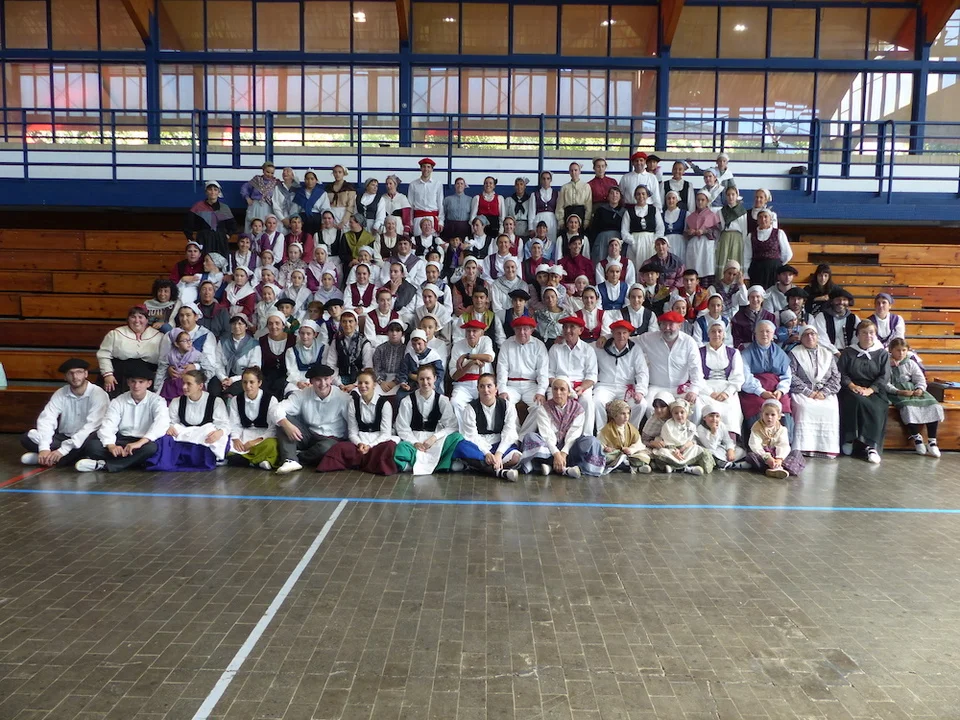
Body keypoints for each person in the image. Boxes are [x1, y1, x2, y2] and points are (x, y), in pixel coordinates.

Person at [74, 359, 168, 473]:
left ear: (149, 383)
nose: (136, 386)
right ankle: (130, 462)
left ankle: (104, 465)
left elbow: (160, 424)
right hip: (121, 439)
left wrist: (139, 443)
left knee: (151, 448)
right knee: (92, 446)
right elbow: (108, 425)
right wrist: (111, 446)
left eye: (141, 382)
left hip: (143, 441)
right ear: (128, 382)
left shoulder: (157, 401)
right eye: (133, 381)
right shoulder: (118, 401)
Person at [20, 358, 110, 468]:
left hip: (86, 438)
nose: (75, 377)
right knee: (27, 437)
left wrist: (62, 451)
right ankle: (51, 457)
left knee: (93, 448)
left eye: (79, 372)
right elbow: (47, 419)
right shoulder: (61, 393)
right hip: (63, 438)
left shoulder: (98, 394)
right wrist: (44, 448)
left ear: (86, 374)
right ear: (65, 377)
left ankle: (48, 459)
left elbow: (90, 427)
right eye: (70, 373)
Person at [317, 369, 399, 475]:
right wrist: (360, 444)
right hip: (360, 442)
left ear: (374, 385)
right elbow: (352, 432)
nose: (362, 386)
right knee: (338, 448)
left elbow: (385, 434)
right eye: (360, 383)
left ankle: (360, 462)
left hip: (378, 443)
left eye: (366, 383)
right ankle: (369, 462)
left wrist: (370, 446)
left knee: (389, 447)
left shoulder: (384, 404)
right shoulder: (353, 403)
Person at [518, 376, 604, 477]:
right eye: (555, 389)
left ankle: (553, 466)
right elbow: (546, 434)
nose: (558, 393)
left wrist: (563, 453)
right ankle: (564, 468)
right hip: (550, 449)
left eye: (562, 389)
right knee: (530, 437)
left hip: (570, 449)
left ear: (569, 392)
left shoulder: (578, 410)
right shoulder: (544, 409)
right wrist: (556, 454)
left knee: (592, 441)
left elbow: (574, 434)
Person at [272, 364, 349, 474]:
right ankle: (290, 460)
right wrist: (286, 424)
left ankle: (297, 457)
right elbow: (276, 408)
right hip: (308, 435)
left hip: (331, 439)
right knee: (282, 419)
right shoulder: (303, 394)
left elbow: (352, 422)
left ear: (331, 379)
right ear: (311, 381)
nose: (323, 384)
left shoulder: (343, 398)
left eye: (326, 379)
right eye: (318, 380)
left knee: (325, 448)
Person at [150, 370, 230, 469]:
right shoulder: (177, 401)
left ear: (200, 386)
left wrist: (219, 433)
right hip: (184, 432)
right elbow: (170, 421)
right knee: (165, 436)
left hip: (204, 433)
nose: (184, 387)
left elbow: (224, 424)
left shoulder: (216, 401)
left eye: (189, 384)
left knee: (213, 432)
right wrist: (169, 426)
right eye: (183, 383)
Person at [394, 364, 463, 475]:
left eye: (428, 378)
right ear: (417, 380)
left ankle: (411, 465)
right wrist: (415, 443)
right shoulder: (407, 401)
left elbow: (452, 426)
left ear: (435, 378)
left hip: (436, 441)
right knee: (401, 448)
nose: (425, 382)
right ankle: (444, 464)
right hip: (414, 440)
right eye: (422, 379)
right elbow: (402, 427)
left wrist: (434, 437)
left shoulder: (443, 401)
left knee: (457, 438)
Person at [837, 320, 890, 464]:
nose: (868, 336)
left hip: (875, 390)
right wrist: (852, 386)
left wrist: (871, 390)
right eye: (864, 333)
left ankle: (872, 446)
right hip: (851, 388)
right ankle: (849, 439)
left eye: (871, 332)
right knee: (854, 401)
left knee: (877, 408)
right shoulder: (848, 352)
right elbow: (841, 373)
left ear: (876, 334)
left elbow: (884, 376)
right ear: (858, 335)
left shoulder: (882, 354)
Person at [454, 373, 522, 481]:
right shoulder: (470, 408)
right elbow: (471, 435)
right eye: (482, 386)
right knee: (461, 447)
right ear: (478, 389)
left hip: (499, 441)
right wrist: (487, 453)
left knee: (515, 458)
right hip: (479, 444)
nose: (486, 390)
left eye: (489, 386)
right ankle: (500, 472)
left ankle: (478, 467)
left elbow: (509, 432)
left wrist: (499, 453)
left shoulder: (507, 406)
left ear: (496, 388)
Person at [639, 311, 705, 418]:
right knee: (650, 407)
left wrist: (694, 390)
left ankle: (690, 430)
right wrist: (609, 337)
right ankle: (654, 430)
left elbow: (696, 369)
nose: (667, 328)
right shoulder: (649, 339)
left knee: (695, 406)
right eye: (664, 324)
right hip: (657, 387)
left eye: (671, 324)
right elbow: (626, 339)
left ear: (680, 325)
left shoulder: (689, 342)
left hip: (681, 388)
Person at [789, 325, 841, 458]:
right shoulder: (795, 353)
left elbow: (836, 376)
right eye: (806, 334)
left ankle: (826, 448)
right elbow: (791, 375)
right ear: (801, 338)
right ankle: (804, 447)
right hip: (803, 391)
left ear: (817, 337)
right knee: (804, 407)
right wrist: (808, 392)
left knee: (831, 408)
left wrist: (825, 392)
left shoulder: (827, 354)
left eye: (813, 334)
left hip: (824, 392)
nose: (810, 337)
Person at [887, 338, 943, 457]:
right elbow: (885, 382)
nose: (901, 353)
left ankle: (932, 441)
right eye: (898, 350)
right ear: (891, 350)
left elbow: (920, 378)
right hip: (897, 391)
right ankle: (917, 437)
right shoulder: (886, 364)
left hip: (913, 390)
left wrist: (920, 388)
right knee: (908, 408)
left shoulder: (911, 363)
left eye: (904, 350)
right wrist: (898, 391)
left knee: (934, 406)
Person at [739, 320, 794, 439]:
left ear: (773, 334)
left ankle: (784, 440)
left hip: (776, 388)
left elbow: (787, 375)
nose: (764, 334)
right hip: (755, 390)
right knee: (757, 404)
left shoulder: (780, 353)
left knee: (784, 402)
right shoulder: (746, 353)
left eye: (768, 331)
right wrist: (761, 392)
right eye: (761, 331)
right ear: (755, 334)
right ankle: (758, 440)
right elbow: (745, 376)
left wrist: (780, 391)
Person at [593, 319, 649, 430]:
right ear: (612, 333)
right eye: (618, 333)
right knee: (596, 401)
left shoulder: (635, 350)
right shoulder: (601, 347)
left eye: (624, 333)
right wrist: (561, 339)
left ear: (629, 334)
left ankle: (630, 433)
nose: (621, 336)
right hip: (605, 386)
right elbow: (583, 346)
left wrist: (640, 391)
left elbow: (642, 372)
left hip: (626, 387)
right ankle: (602, 433)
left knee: (641, 404)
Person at [97, 305, 164, 397]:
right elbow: (103, 355)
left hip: (146, 379)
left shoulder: (159, 336)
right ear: (128, 319)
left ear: (146, 320)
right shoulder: (115, 334)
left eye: (140, 317)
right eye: (133, 317)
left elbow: (164, 360)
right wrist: (108, 374)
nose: (137, 321)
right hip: (119, 378)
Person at [548, 316, 598, 434]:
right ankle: (554, 437)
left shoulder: (588, 350)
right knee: (551, 401)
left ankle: (586, 437)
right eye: (565, 327)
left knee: (587, 402)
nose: (568, 330)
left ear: (580, 330)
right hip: (559, 385)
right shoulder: (555, 348)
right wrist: (561, 387)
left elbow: (592, 375)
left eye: (572, 327)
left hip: (580, 386)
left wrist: (582, 387)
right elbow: (549, 373)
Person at [226, 367, 281, 470]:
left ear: (259, 383)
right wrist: (236, 439)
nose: (248, 386)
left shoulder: (271, 400)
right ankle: (259, 461)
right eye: (245, 382)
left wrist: (255, 442)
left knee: (272, 445)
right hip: (244, 435)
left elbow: (273, 428)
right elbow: (234, 424)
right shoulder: (236, 400)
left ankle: (245, 460)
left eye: (252, 382)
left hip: (263, 437)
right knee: (226, 444)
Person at [698, 320, 745, 436]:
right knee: (703, 409)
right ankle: (705, 440)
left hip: (727, 388)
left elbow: (738, 377)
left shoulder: (734, 353)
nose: (716, 334)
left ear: (724, 334)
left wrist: (726, 393)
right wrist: (710, 393)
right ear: (708, 334)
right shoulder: (699, 352)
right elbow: (696, 376)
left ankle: (730, 441)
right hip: (705, 389)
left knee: (731, 412)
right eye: (713, 331)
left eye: (720, 331)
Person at [650, 398, 713, 475]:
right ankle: (687, 468)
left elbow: (692, 441)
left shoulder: (691, 426)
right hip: (671, 450)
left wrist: (683, 448)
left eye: (682, 412)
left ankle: (674, 467)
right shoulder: (668, 425)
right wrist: (675, 451)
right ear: (672, 414)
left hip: (685, 449)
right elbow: (667, 442)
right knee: (662, 452)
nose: (679, 415)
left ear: (687, 413)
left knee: (697, 449)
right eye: (676, 413)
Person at [745, 399, 805, 479]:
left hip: (778, 456)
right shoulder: (757, 428)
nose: (769, 417)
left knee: (796, 453)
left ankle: (778, 467)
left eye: (773, 415)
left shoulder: (782, 429)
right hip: (764, 455)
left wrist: (779, 458)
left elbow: (783, 445)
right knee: (751, 456)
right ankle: (773, 468)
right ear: (762, 415)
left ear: (779, 416)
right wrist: (767, 458)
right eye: (766, 414)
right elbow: (755, 445)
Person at [497, 315, 549, 408]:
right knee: (503, 404)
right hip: (511, 385)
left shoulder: (539, 345)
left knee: (539, 406)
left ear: (531, 330)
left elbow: (543, 371)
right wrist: (502, 390)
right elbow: (502, 369)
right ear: (514, 330)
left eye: (525, 329)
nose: (521, 332)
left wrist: (541, 391)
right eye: (518, 329)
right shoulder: (506, 344)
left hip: (531, 385)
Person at [449, 319, 496, 415]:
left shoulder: (486, 340)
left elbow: (489, 358)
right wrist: (471, 363)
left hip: (484, 383)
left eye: (474, 331)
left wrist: (467, 356)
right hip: (463, 385)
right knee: (455, 402)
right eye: (468, 331)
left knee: (488, 402)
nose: (471, 334)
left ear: (481, 333)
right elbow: (454, 376)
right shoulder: (458, 345)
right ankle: (463, 425)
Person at [184, 180, 237, 258]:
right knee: (204, 260)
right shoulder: (198, 207)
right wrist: (190, 238)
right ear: (206, 192)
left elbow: (232, 225)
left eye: (215, 190)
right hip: (204, 239)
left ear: (218, 192)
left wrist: (228, 235)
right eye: (210, 189)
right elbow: (188, 224)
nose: (212, 192)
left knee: (221, 261)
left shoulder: (224, 208)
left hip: (220, 240)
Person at [322, 309, 372, 392]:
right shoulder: (336, 341)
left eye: (350, 321)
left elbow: (367, 367)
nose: (347, 324)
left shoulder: (364, 342)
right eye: (344, 321)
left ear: (356, 323)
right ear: (341, 323)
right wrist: (339, 384)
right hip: (339, 380)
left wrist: (355, 384)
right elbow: (331, 364)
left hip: (359, 381)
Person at [597, 399, 651, 474]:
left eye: (628, 413)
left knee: (644, 456)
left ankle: (625, 465)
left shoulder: (631, 429)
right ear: (615, 415)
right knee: (606, 457)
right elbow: (600, 443)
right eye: (623, 414)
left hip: (629, 454)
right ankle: (633, 467)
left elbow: (638, 444)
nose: (626, 416)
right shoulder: (607, 430)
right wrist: (606, 448)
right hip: (615, 454)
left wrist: (631, 450)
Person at [743, 209, 793, 289]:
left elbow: (787, 254)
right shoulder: (750, 236)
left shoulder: (779, 233)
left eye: (766, 217)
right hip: (756, 270)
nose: (763, 219)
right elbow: (746, 257)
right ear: (757, 220)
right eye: (760, 217)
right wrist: (746, 275)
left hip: (774, 271)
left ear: (770, 219)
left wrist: (777, 264)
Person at [215, 314, 262, 397]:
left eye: (240, 323)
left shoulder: (253, 344)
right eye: (234, 323)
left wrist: (232, 379)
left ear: (246, 326)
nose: (236, 326)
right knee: (214, 389)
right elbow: (218, 363)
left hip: (243, 376)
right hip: (224, 374)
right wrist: (223, 378)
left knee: (232, 392)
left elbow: (254, 369)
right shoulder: (223, 342)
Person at [684, 189, 720, 287]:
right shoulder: (690, 216)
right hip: (694, 245)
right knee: (694, 268)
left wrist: (704, 231)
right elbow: (685, 233)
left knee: (706, 269)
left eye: (702, 200)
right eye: (698, 200)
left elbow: (717, 232)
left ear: (707, 201)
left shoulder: (712, 215)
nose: (700, 202)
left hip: (706, 245)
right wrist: (690, 232)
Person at [696, 401, 746, 470]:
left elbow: (727, 440)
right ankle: (732, 465)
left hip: (720, 449)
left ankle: (727, 463)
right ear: (704, 418)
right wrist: (713, 432)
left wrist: (730, 450)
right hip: (710, 449)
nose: (714, 419)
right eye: (711, 416)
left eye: (717, 416)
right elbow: (711, 446)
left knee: (740, 451)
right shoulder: (700, 428)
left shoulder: (721, 425)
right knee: (709, 453)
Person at [622, 186, 663, 268]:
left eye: (643, 194)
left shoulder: (654, 210)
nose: (641, 196)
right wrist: (633, 242)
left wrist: (654, 241)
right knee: (636, 267)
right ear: (635, 196)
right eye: (638, 194)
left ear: (647, 196)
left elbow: (660, 228)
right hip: (635, 242)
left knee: (651, 267)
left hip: (651, 242)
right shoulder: (628, 212)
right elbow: (624, 231)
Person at [159, 330, 204, 403]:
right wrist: (168, 370)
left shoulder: (197, 355)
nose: (189, 343)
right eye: (185, 341)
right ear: (176, 344)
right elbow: (161, 372)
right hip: (173, 386)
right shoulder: (169, 356)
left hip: (191, 385)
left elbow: (208, 369)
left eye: (190, 340)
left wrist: (196, 366)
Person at [814, 287, 861, 355]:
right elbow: (821, 338)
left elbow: (857, 337)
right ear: (832, 301)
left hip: (849, 354)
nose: (841, 302)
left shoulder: (854, 318)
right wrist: (836, 352)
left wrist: (849, 352)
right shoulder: (822, 316)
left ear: (848, 302)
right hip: (827, 353)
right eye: (838, 299)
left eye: (844, 300)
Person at [715, 186, 747, 280]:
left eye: (733, 194)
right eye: (728, 195)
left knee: (735, 259)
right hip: (725, 237)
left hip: (737, 238)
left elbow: (744, 229)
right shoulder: (721, 211)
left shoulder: (742, 211)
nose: (731, 197)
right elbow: (721, 227)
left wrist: (744, 243)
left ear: (737, 195)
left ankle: (736, 281)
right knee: (724, 258)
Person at [589, 186, 626, 262]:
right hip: (602, 240)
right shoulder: (600, 210)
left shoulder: (624, 212)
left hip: (617, 240)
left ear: (620, 197)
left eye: (617, 193)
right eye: (612, 193)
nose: (614, 195)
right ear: (608, 196)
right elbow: (594, 228)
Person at [241, 161, 280, 232]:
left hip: (268, 207)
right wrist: (247, 197)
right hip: (255, 206)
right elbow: (245, 188)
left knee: (267, 225)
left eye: (272, 173)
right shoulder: (256, 180)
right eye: (267, 172)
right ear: (263, 170)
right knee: (253, 225)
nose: (269, 175)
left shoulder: (276, 183)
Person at [407, 158, 445, 232]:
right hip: (418, 219)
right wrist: (410, 222)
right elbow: (410, 204)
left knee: (433, 239)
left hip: (432, 219)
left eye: (428, 167)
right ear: (421, 168)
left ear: (432, 169)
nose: (426, 169)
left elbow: (440, 204)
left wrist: (441, 221)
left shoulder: (438, 184)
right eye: (424, 166)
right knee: (418, 238)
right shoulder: (413, 184)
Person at [372, 318, 407, 395]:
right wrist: (381, 382)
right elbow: (376, 368)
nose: (394, 333)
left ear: (402, 334)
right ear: (387, 333)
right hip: (381, 380)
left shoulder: (406, 350)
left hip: (399, 381)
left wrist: (395, 382)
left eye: (397, 331)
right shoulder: (380, 349)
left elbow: (405, 369)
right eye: (391, 330)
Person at [293, 169, 333, 234]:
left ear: (316, 180)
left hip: (317, 220)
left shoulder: (322, 193)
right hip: (302, 220)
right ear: (304, 180)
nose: (309, 181)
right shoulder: (299, 193)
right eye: (307, 179)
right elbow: (294, 210)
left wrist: (323, 222)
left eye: (312, 179)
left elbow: (325, 209)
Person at [556, 162, 592, 231]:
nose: (573, 172)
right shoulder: (564, 187)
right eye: (571, 170)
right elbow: (560, 205)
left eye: (576, 170)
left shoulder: (586, 186)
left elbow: (588, 205)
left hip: (581, 213)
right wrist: (561, 220)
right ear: (569, 172)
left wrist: (587, 220)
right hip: (568, 213)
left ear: (579, 171)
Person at [325, 164, 356, 230]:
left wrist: (343, 222)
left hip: (344, 215)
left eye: (340, 172)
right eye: (335, 172)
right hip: (331, 214)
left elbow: (350, 206)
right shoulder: (328, 187)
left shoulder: (349, 187)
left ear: (343, 173)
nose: (337, 174)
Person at [441, 176, 471, 241]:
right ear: (455, 186)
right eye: (457, 183)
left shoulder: (470, 199)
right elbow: (443, 213)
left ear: (464, 186)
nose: (459, 185)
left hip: (464, 227)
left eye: (461, 183)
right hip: (451, 227)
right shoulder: (447, 199)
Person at [533, 171, 559, 241]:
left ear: (551, 180)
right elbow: (532, 212)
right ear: (541, 180)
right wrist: (531, 227)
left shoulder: (557, 194)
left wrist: (558, 225)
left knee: (551, 240)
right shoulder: (535, 194)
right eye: (543, 179)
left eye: (548, 178)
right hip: (539, 219)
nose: (545, 181)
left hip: (552, 221)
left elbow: (558, 210)